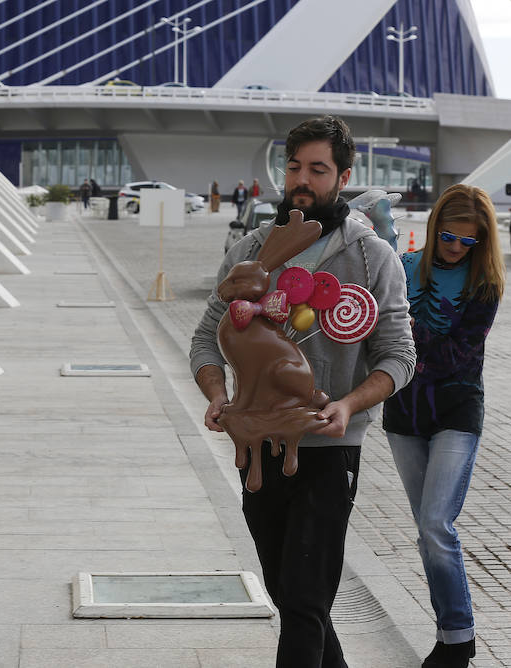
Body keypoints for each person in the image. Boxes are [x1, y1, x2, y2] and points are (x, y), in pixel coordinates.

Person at [190, 115, 415, 667]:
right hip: (256, 449)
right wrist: (216, 393)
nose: (302, 180)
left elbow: (399, 355)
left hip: (328, 447)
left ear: (343, 175)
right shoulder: (252, 250)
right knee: (292, 598)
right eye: (294, 167)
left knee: (307, 600)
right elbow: (204, 339)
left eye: (317, 169)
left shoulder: (371, 257)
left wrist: (348, 404)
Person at [383, 184, 504, 668]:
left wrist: (401, 341)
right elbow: (374, 331)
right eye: (449, 237)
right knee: (426, 531)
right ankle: (452, 634)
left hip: (457, 412)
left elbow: (458, 356)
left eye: (468, 242)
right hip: (404, 416)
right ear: (434, 229)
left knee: (437, 524)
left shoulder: (485, 285)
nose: (456, 248)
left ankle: (457, 638)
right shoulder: (403, 267)